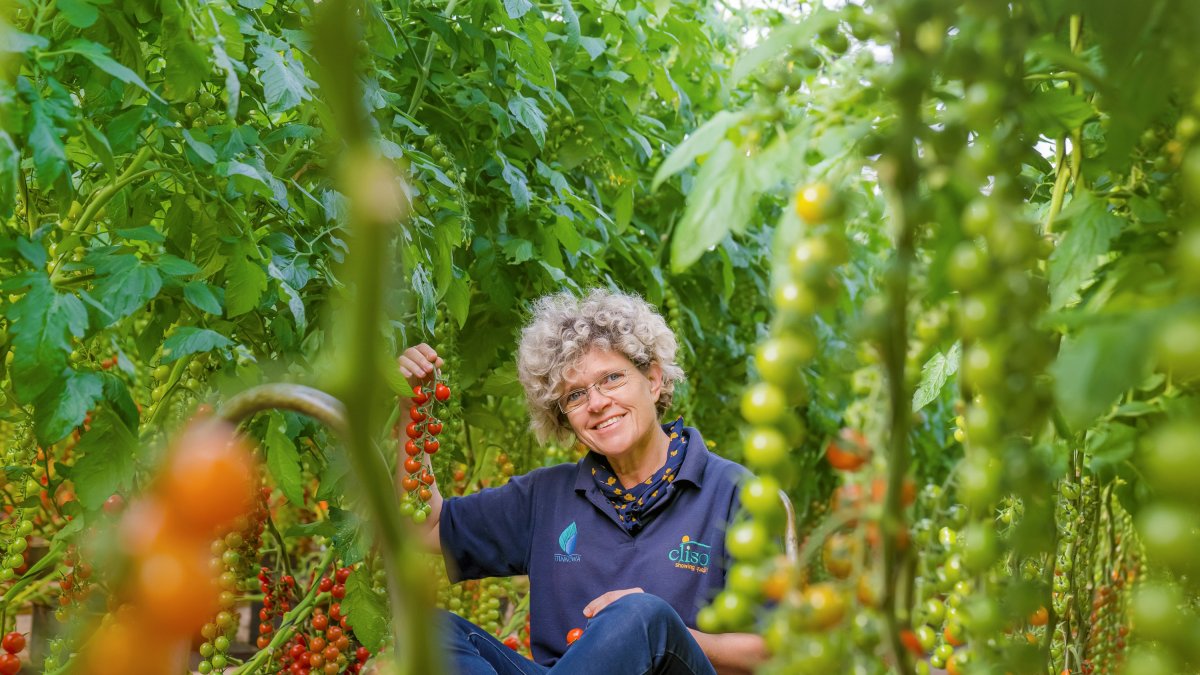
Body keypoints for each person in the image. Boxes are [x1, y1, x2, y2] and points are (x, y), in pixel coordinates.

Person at [398, 288, 767, 675]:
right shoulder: (546, 497)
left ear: (653, 379)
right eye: (575, 395)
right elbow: (424, 526)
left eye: (611, 378)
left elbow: (772, 651)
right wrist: (414, 415)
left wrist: (657, 631)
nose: (596, 402)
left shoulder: (734, 493)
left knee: (642, 614)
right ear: (563, 417)